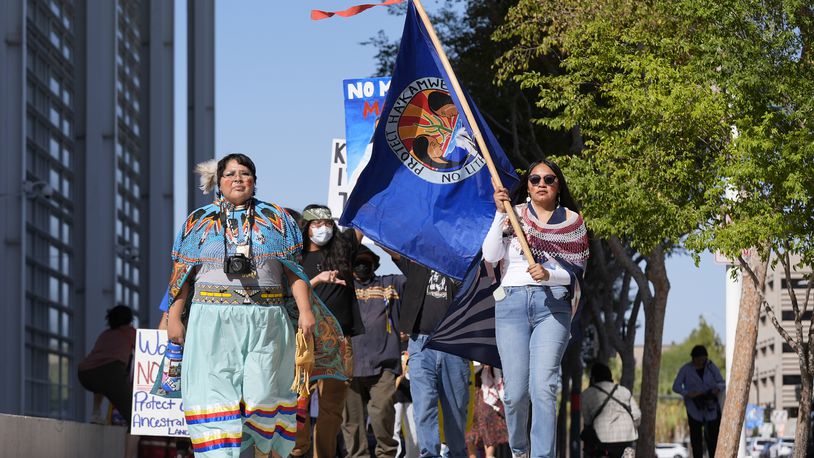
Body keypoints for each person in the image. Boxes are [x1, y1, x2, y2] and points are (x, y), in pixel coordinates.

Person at [165, 154, 349, 457]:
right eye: (230, 174)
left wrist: (305, 312)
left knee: (264, 393)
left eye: (245, 173)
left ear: (255, 181)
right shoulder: (198, 221)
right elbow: (181, 275)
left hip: (266, 321)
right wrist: (174, 318)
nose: (238, 179)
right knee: (214, 397)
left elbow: (294, 272)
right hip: (210, 321)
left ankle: (253, 450)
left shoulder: (278, 219)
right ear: (218, 182)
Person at [484, 159, 589, 457]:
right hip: (512, 306)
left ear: (558, 186)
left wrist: (549, 274)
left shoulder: (572, 222)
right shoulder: (514, 215)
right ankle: (520, 451)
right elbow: (491, 255)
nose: (541, 183)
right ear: (527, 185)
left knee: (544, 387)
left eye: (549, 179)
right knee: (516, 393)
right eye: (534, 179)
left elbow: (576, 272)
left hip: (552, 306)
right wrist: (498, 213)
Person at [293, 204, 365, 458]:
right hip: (304, 341)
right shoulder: (296, 257)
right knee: (298, 402)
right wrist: (318, 279)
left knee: (332, 408)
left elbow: (362, 218)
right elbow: (291, 295)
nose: (322, 228)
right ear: (306, 227)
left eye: (327, 224)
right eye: (316, 224)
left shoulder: (342, 252)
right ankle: (297, 452)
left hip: (339, 341)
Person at [390, 252, 470, 458]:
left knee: (456, 407)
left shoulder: (463, 260)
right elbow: (391, 245)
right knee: (424, 404)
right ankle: (429, 455)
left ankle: (457, 453)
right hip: (420, 342)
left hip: (454, 341)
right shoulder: (418, 259)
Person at [341, 245, 406, 458]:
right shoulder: (342, 287)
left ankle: (386, 454)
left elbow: (413, 273)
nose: (362, 266)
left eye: (366, 262)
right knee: (352, 422)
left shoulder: (390, 284)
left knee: (382, 414)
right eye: (358, 262)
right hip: (348, 366)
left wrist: (385, 243)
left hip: (384, 364)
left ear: (374, 264)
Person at [78, 305, 137, 424]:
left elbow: (99, 362)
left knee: (101, 383)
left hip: (85, 372)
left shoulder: (105, 334)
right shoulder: (130, 332)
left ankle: (96, 413)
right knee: (133, 415)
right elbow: (142, 351)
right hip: (111, 370)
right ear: (129, 319)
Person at [672, 345, 725, 458]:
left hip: (711, 408)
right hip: (694, 408)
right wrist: (688, 393)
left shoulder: (711, 366)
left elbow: (722, 382)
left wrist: (716, 389)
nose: (701, 362)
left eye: (703, 359)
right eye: (699, 359)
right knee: (696, 440)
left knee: (713, 439)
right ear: (693, 358)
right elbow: (676, 386)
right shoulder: (686, 369)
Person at [581, 364, 640, 458]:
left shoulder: (586, 394)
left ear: (593, 378)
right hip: (627, 437)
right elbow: (637, 415)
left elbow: (587, 420)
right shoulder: (624, 390)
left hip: (603, 439)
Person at [466, 365, 509, 458]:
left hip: (487, 392)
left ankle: (490, 455)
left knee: (488, 421)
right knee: (470, 427)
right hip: (471, 389)